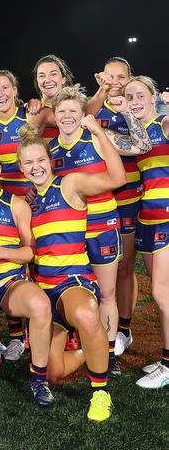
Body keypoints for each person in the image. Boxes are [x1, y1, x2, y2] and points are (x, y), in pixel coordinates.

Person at [18, 114, 126, 421]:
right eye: (28, 163)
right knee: (52, 372)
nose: (35, 167)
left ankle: (101, 392)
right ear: (21, 168)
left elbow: (118, 180)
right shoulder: (27, 203)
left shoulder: (69, 185)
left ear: (50, 161)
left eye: (40, 160)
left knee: (87, 314)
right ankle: (89, 350)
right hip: (42, 292)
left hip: (72, 282)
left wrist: (99, 133)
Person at [48, 85, 150, 377]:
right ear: (54, 115)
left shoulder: (97, 138)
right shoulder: (51, 149)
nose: (67, 116)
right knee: (74, 292)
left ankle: (108, 354)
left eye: (73, 111)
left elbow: (142, 146)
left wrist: (121, 115)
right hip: (71, 236)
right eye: (61, 111)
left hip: (103, 228)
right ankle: (77, 342)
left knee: (106, 294)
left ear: (83, 114)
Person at [0, 148, 53, 406]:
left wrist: (0, 250)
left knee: (39, 304)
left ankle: (39, 379)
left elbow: (30, 253)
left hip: (8, 283)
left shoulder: (15, 204)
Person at [123, 76, 169, 389]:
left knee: (162, 294)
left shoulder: (163, 124)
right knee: (160, 291)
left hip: (166, 217)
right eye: (130, 97)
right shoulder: (136, 133)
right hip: (147, 219)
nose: (136, 101)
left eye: (141, 95)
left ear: (153, 97)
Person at [93, 58, 140, 357]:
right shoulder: (92, 108)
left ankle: (124, 328)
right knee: (98, 268)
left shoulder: (134, 108)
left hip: (129, 199)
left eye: (120, 76)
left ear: (129, 79)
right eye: (108, 75)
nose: (114, 81)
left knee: (124, 267)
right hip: (98, 202)